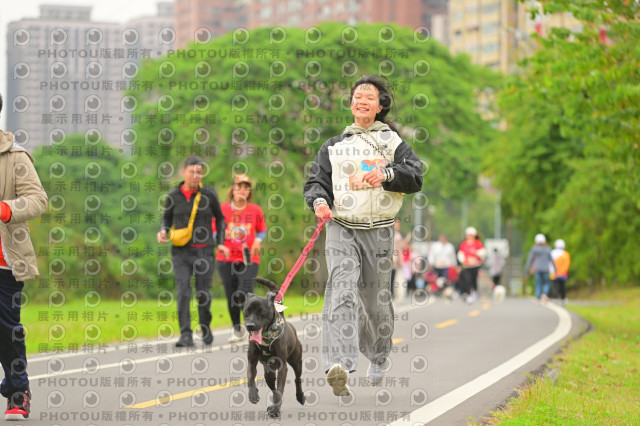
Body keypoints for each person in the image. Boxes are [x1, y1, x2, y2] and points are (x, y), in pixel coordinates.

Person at [303, 74, 423, 396]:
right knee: (340, 291)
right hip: (341, 227)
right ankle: (338, 364)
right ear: (351, 104)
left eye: (369, 97)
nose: (362, 101)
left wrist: (386, 173)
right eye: (358, 96)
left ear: (380, 105)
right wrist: (319, 202)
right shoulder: (334, 146)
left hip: (379, 231)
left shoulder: (392, 143)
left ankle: (379, 354)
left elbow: (415, 176)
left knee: (375, 304)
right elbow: (316, 182)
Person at [0, 93, 48, 420]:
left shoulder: (15, 157)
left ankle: (18, 390)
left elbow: (37, 199)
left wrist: (6, 209)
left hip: (5, 260)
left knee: (6, 327)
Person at [157, 156, 229, 347]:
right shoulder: (173, 195)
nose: (196, 175)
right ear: (184, 172)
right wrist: (163, 231)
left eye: (199, 172)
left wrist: (221, 243)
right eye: (192, 171)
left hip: (204, 251)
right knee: (183, 291)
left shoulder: (209, 194)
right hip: (180, 252)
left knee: (203, 294)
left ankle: (205, 325)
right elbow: (166, 219)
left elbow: (220, 219)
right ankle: (185, 334)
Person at [214, 174, 266, 343]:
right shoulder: (222, 209)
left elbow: (262, 230)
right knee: (231, 295)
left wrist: (258, 240)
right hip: (226, 258)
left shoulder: (255, 210)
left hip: (249, 258)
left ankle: (254, 327)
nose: (242, 190)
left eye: (246, 187)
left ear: (249, 191)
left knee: (245, 292)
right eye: (239, 186)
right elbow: (214, 231)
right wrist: (220, 242)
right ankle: (237, 329)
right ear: (233, 188)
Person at [457, 226, 487, 304]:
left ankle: (474, 292)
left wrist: (476, 253)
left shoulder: (478, 243)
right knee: (467, 280)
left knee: (474, 280)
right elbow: (460, 254)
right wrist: (463, 261)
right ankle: (469, 294)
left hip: (475, 266)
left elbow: (483, 253)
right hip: (467, 266)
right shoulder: (463, 244)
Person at [524, 233, 556, 303]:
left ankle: (538, 298)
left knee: (538, 283)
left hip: (537, 269)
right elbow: (551, 260)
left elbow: (530, 260)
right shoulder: (547, 248)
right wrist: (555, 269)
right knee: (546, 283)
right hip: (546, 269)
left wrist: (526, 270)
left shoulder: (534, 249)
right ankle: (545, 294)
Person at [550, 239, 570, 304]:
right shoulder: (565, 254)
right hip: (563, 274)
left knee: (555, 285)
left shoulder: (552, 253)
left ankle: (554, 298)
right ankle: (563, 298)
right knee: (562, 286)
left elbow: (550, 263)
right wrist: (562, 272)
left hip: (554, 273)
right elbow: (567, 264)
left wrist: (552, 271)